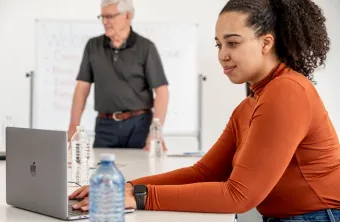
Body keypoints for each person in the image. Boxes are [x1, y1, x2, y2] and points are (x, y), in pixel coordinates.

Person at [69, 0, 340, 221]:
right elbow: (204, 173)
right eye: (218, 44)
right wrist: (125, 186)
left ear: (266, 43)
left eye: (232, 43)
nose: (222, 54)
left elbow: (239, 195)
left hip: (318, 216)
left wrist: (140, 196)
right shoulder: (250, 104)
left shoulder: (287, 91)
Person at [68, 0, 169, 150]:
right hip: (105, 126)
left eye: (109, 16)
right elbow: (82, 88)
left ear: (127, 16)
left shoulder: (146, 47)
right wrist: (73, 126)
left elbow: (162, 91)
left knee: (141, 172)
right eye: (102, 17)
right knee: (100, 171)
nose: (104, 22)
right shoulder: (93, 46)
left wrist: (155, 132)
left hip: (139, 125)